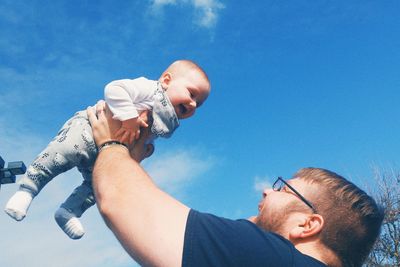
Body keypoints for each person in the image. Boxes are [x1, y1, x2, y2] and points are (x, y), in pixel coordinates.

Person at [87, 104, 384, 267]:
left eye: (282, 188)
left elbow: (124, 202)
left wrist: (111, 142)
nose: (267, 190)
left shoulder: (270, 257)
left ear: (308, 225)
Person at [4, 59, 211, 240]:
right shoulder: (150, 90)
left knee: (98, 185)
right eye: (191, 94)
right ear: (166, 81)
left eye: (198, 104)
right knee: (62, 152)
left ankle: (69, 211)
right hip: (88, 130)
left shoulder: (166, 122)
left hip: (108, 152)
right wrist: (129, 117)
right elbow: (114, 89)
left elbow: (142, 140)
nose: (193, 104)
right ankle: (28, 189)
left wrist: (140, 154)